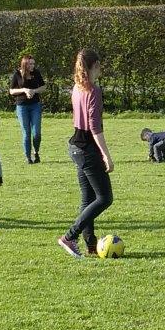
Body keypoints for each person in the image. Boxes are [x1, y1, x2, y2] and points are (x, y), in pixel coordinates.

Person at [57, 49, 114, 258]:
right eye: (99, 65)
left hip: (75, 147)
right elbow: (94, 126)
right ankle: (69, 237)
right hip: (87, 149)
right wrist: (106, 154)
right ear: (95, 65)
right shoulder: (94, 91)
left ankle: (90, 245)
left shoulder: (77, 87)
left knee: (88, 198)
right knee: (105, 198)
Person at [9, 55, 45, 164]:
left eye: (33, 64)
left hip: (35, 106)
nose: (32, 66)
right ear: (25, 64)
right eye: (30, 64)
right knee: (26, 133)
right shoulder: (17, 74)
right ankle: (28, 157)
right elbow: (11, 91)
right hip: (22, 106)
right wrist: (24, 90)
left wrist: (34, 91)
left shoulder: (36, 73)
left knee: (37, 133)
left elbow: (43, 87)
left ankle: (36, 152)